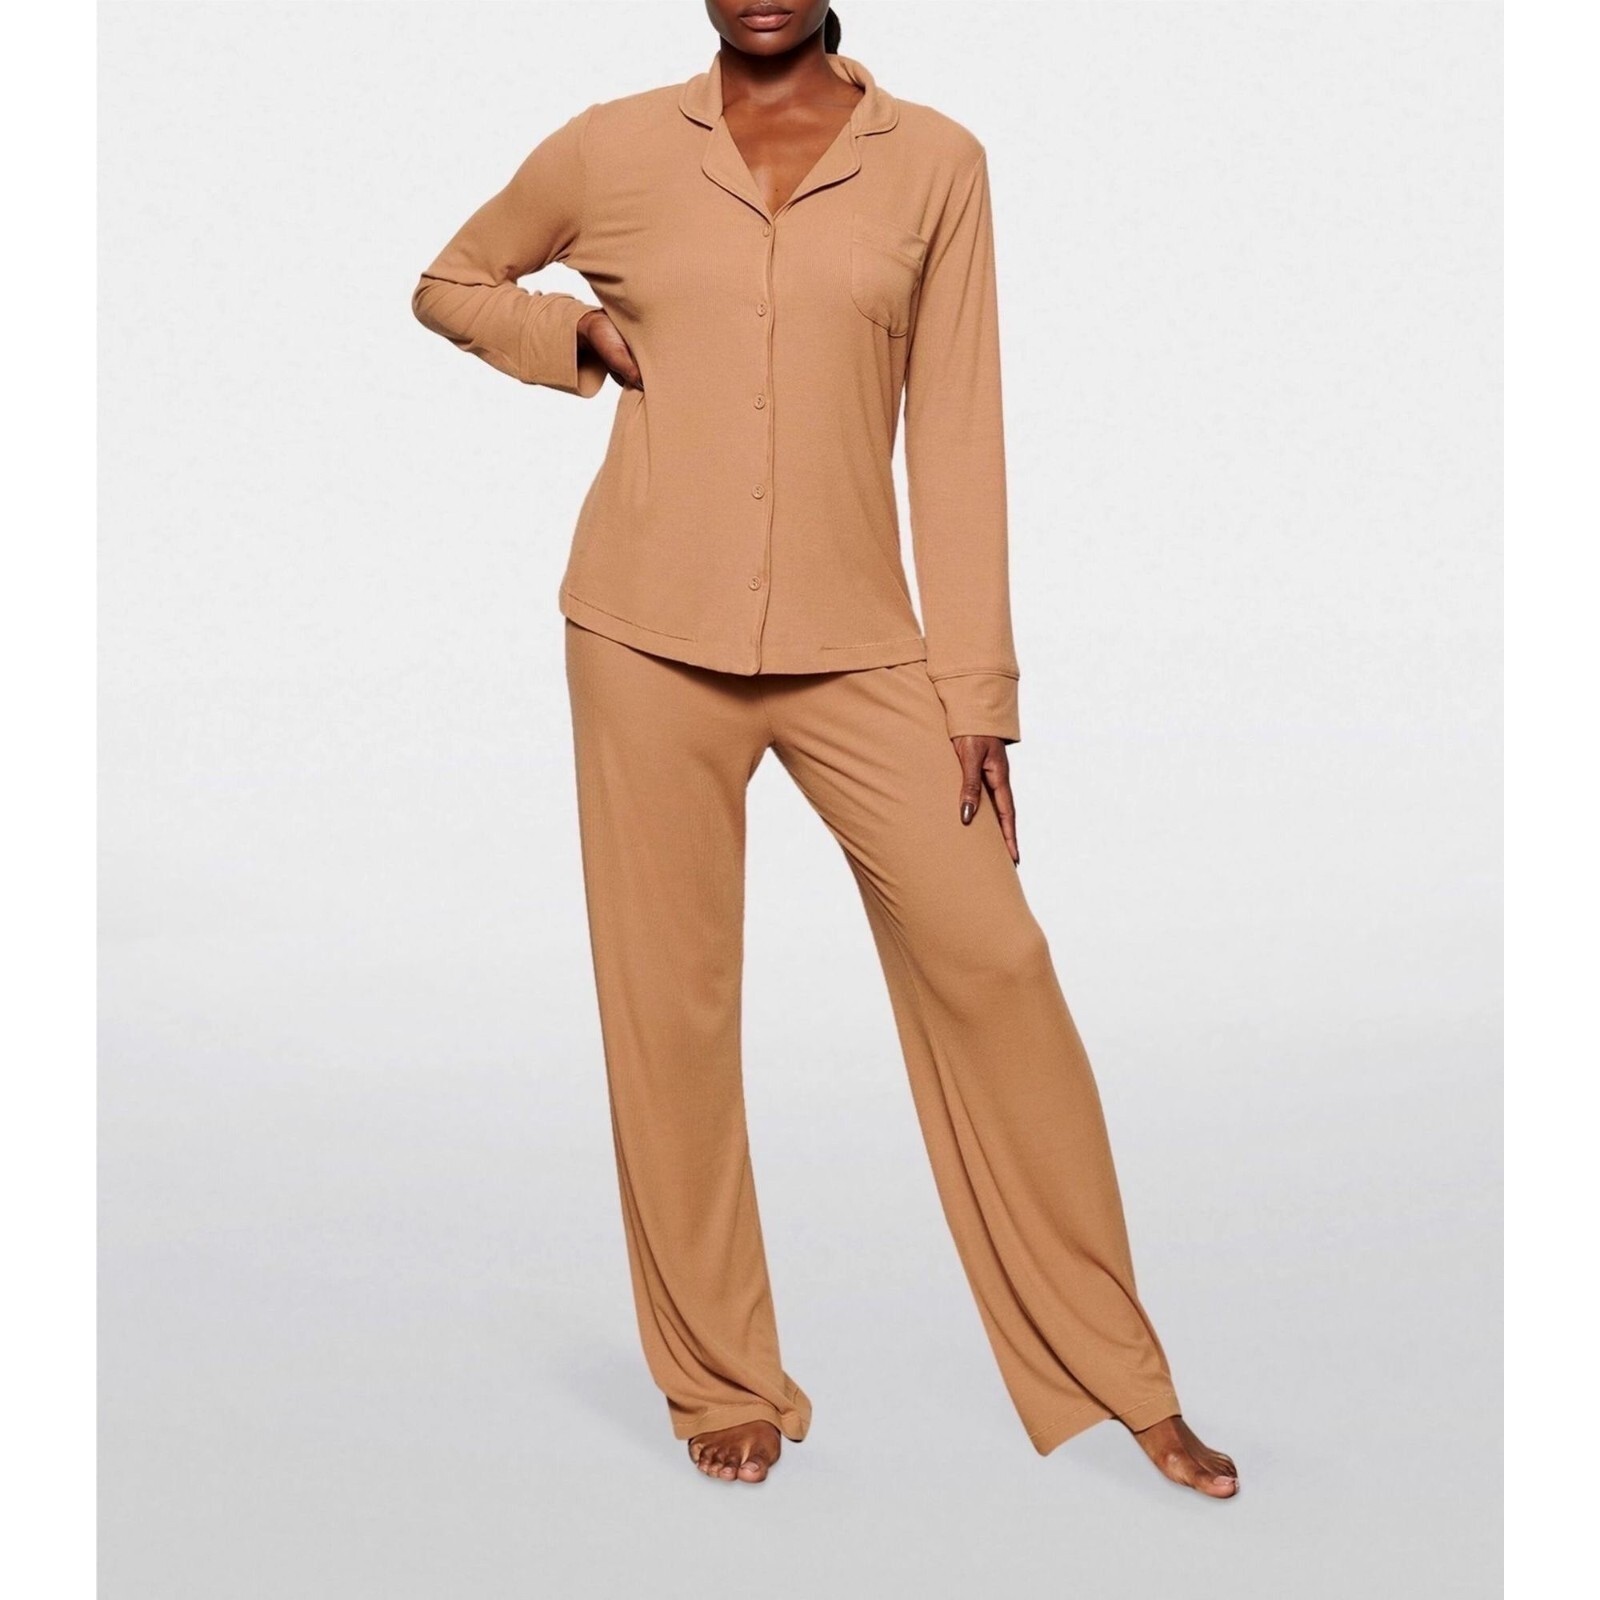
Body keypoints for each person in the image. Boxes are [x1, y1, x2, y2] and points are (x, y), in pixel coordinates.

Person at [411, 0, 1238, 1497]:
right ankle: (719, 1377)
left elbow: (960, 428)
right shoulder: (611, 147)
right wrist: (572, 335)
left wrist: (974, 691)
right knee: (671, 1013)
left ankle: (1125, 1378)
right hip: (643, 634)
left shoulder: (936, 161)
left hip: (863, 646)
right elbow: (451, 280)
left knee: (995, 961)